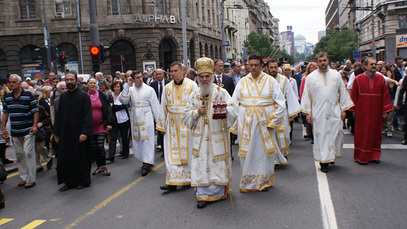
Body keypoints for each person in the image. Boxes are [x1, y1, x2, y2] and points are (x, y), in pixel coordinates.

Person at [181, 57, 237, 208]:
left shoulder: (222, 92)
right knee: (201, 164)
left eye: (207, 76)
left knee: (216, 163)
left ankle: (219, 192)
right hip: (199, 139)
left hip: (217, 135)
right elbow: (185, 116)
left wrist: (224, 109)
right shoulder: (193, 95)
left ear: (212, 76)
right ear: (198, 77)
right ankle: (202, 195)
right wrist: (196, 112)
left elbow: (234, 111)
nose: (205, 79)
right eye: (202, 77)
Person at [231, 54, 286, 192]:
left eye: (256, 65)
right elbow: (234, 103)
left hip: (265, 125)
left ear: (262, 66)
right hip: (246, 125)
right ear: (247, 65)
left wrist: (273, 121)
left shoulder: (270, 81)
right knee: (247, 152)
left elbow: (281, 103)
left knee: (263, 154)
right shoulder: (242, 82)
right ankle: (248, 181)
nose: (253, 67)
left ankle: (263, 181)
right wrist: (233, 122)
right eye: (251, 65)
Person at [301, 52, 354, 173]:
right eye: (320, 61)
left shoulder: (336, 75)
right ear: (317, 62)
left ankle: (331, 156)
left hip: (334, 110)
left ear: (328, 60)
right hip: (318, 112)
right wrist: (308, 112)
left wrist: (343, 109)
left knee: (335, 132)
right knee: (322, 136)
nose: (322, 63)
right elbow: (306, 95)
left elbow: (342, 92)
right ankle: (323, 161)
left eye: (324, 60)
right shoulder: (310, 78)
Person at [159, 62, 198, 191]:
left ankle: (189, 178)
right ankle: (172, 181)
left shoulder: (192, 85)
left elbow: (196, 105)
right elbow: (162, 106)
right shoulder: (167, 88)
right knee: (171, 152)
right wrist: (161, 125)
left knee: (188, 151)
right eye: (171, 71)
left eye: (175, 70)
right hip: (172, 125)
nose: (173, 73)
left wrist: (195, 123)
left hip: (187, 124)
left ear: (183, 71)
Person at [53, 71, 93, 191]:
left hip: (79, 133)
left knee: (81, 158)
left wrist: (84, 132)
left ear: (76, 80)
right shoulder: (63, 97)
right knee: (66, 158)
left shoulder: (83, 96)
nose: (69, 82)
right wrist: (56, 132)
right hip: (65, 133)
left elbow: (87, 115)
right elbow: (58, 116)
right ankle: (69, 182)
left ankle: (83, 181)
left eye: (71, 79)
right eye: (67, 80)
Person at [119, 71, 164, 176]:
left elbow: (156, 107)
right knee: (139, 140)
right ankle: (145, 160)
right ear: (133, 80)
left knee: (148, 140)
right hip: (135, 119)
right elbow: (123, 100)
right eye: (137, 78)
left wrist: (159, 123)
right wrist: (126, 86)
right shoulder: (130, 89)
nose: (140, 79)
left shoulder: (149, 89)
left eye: (141, 77)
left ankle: (147, 164)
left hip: (146, 118)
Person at [351, 58, 393, 164]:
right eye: (371, 64)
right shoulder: (358, 79)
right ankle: (361, 156)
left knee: (375, 134)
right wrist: (353, 110)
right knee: (362, 134)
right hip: (362, 112)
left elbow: (385, 95)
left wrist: (385, 110)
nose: (374, 66)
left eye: (375, 64)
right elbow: (353, 96)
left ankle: (374, 156)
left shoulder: (380, 79)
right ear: (365, 66)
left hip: (376, 111)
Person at [2, 74, 39, 188]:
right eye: (10, 82)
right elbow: (6, 113)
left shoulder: (28, 95)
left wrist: (34, 126)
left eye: (13, 82)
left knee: (28, 153)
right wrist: (3, 128)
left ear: (19, 83)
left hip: (28, 129)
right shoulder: (7, 97)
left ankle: (31, 179)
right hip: (16, 130)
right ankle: (23, 176)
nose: (11, 84)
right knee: (19, 154)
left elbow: (35, 111)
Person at [267, 60, 301, 162]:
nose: (273, 69)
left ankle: (282, 154)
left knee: (284, 135)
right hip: (268, 112)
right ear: (267, 68)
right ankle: (274, 159)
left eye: (275, 67)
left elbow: (290, 95)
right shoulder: (264, 80)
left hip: (282, 112)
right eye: (271, 67)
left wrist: (292, 113)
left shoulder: (284, 80)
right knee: (271, 136)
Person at [87, 78, 113, 176]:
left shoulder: (102, 95)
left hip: (101, 124)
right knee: (94, 147)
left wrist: (109, 123)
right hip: (90, 126)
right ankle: (98, 167)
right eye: (91, 83)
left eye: (94, 83)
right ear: (88, 84)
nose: (93, 84)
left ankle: (104, 166)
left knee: (100, 145)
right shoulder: (85, 96)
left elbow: (108, 109)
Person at [107, 80, 130, 161]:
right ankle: (111, 155)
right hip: (115, 120)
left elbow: (123, 106)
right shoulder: (111, 96)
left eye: (118, 87)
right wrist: (113, 107)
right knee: (113, 137)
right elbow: (109, 108)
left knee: (124, 137)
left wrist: (113, 106)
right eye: (115, 87)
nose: (116, 88)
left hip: (124, 119)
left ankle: (125, 152)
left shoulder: (123, 95)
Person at [149, 69, 170, 154]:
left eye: (159, 74)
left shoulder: (168, 83)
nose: (158, 76)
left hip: (167, 108)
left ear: (163, 75)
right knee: (160, 129)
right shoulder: (153, 85)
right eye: (156, 74)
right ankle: (162, 148)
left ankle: (167, 148)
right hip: (157, 108)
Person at [35, 104, 52, 172]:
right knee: (33, 149)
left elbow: (48, 118)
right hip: (30, 130)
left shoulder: (40, 108)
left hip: (39, 131)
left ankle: (48, 158)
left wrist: (41, 123)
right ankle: (38, 165)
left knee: (40, 147)